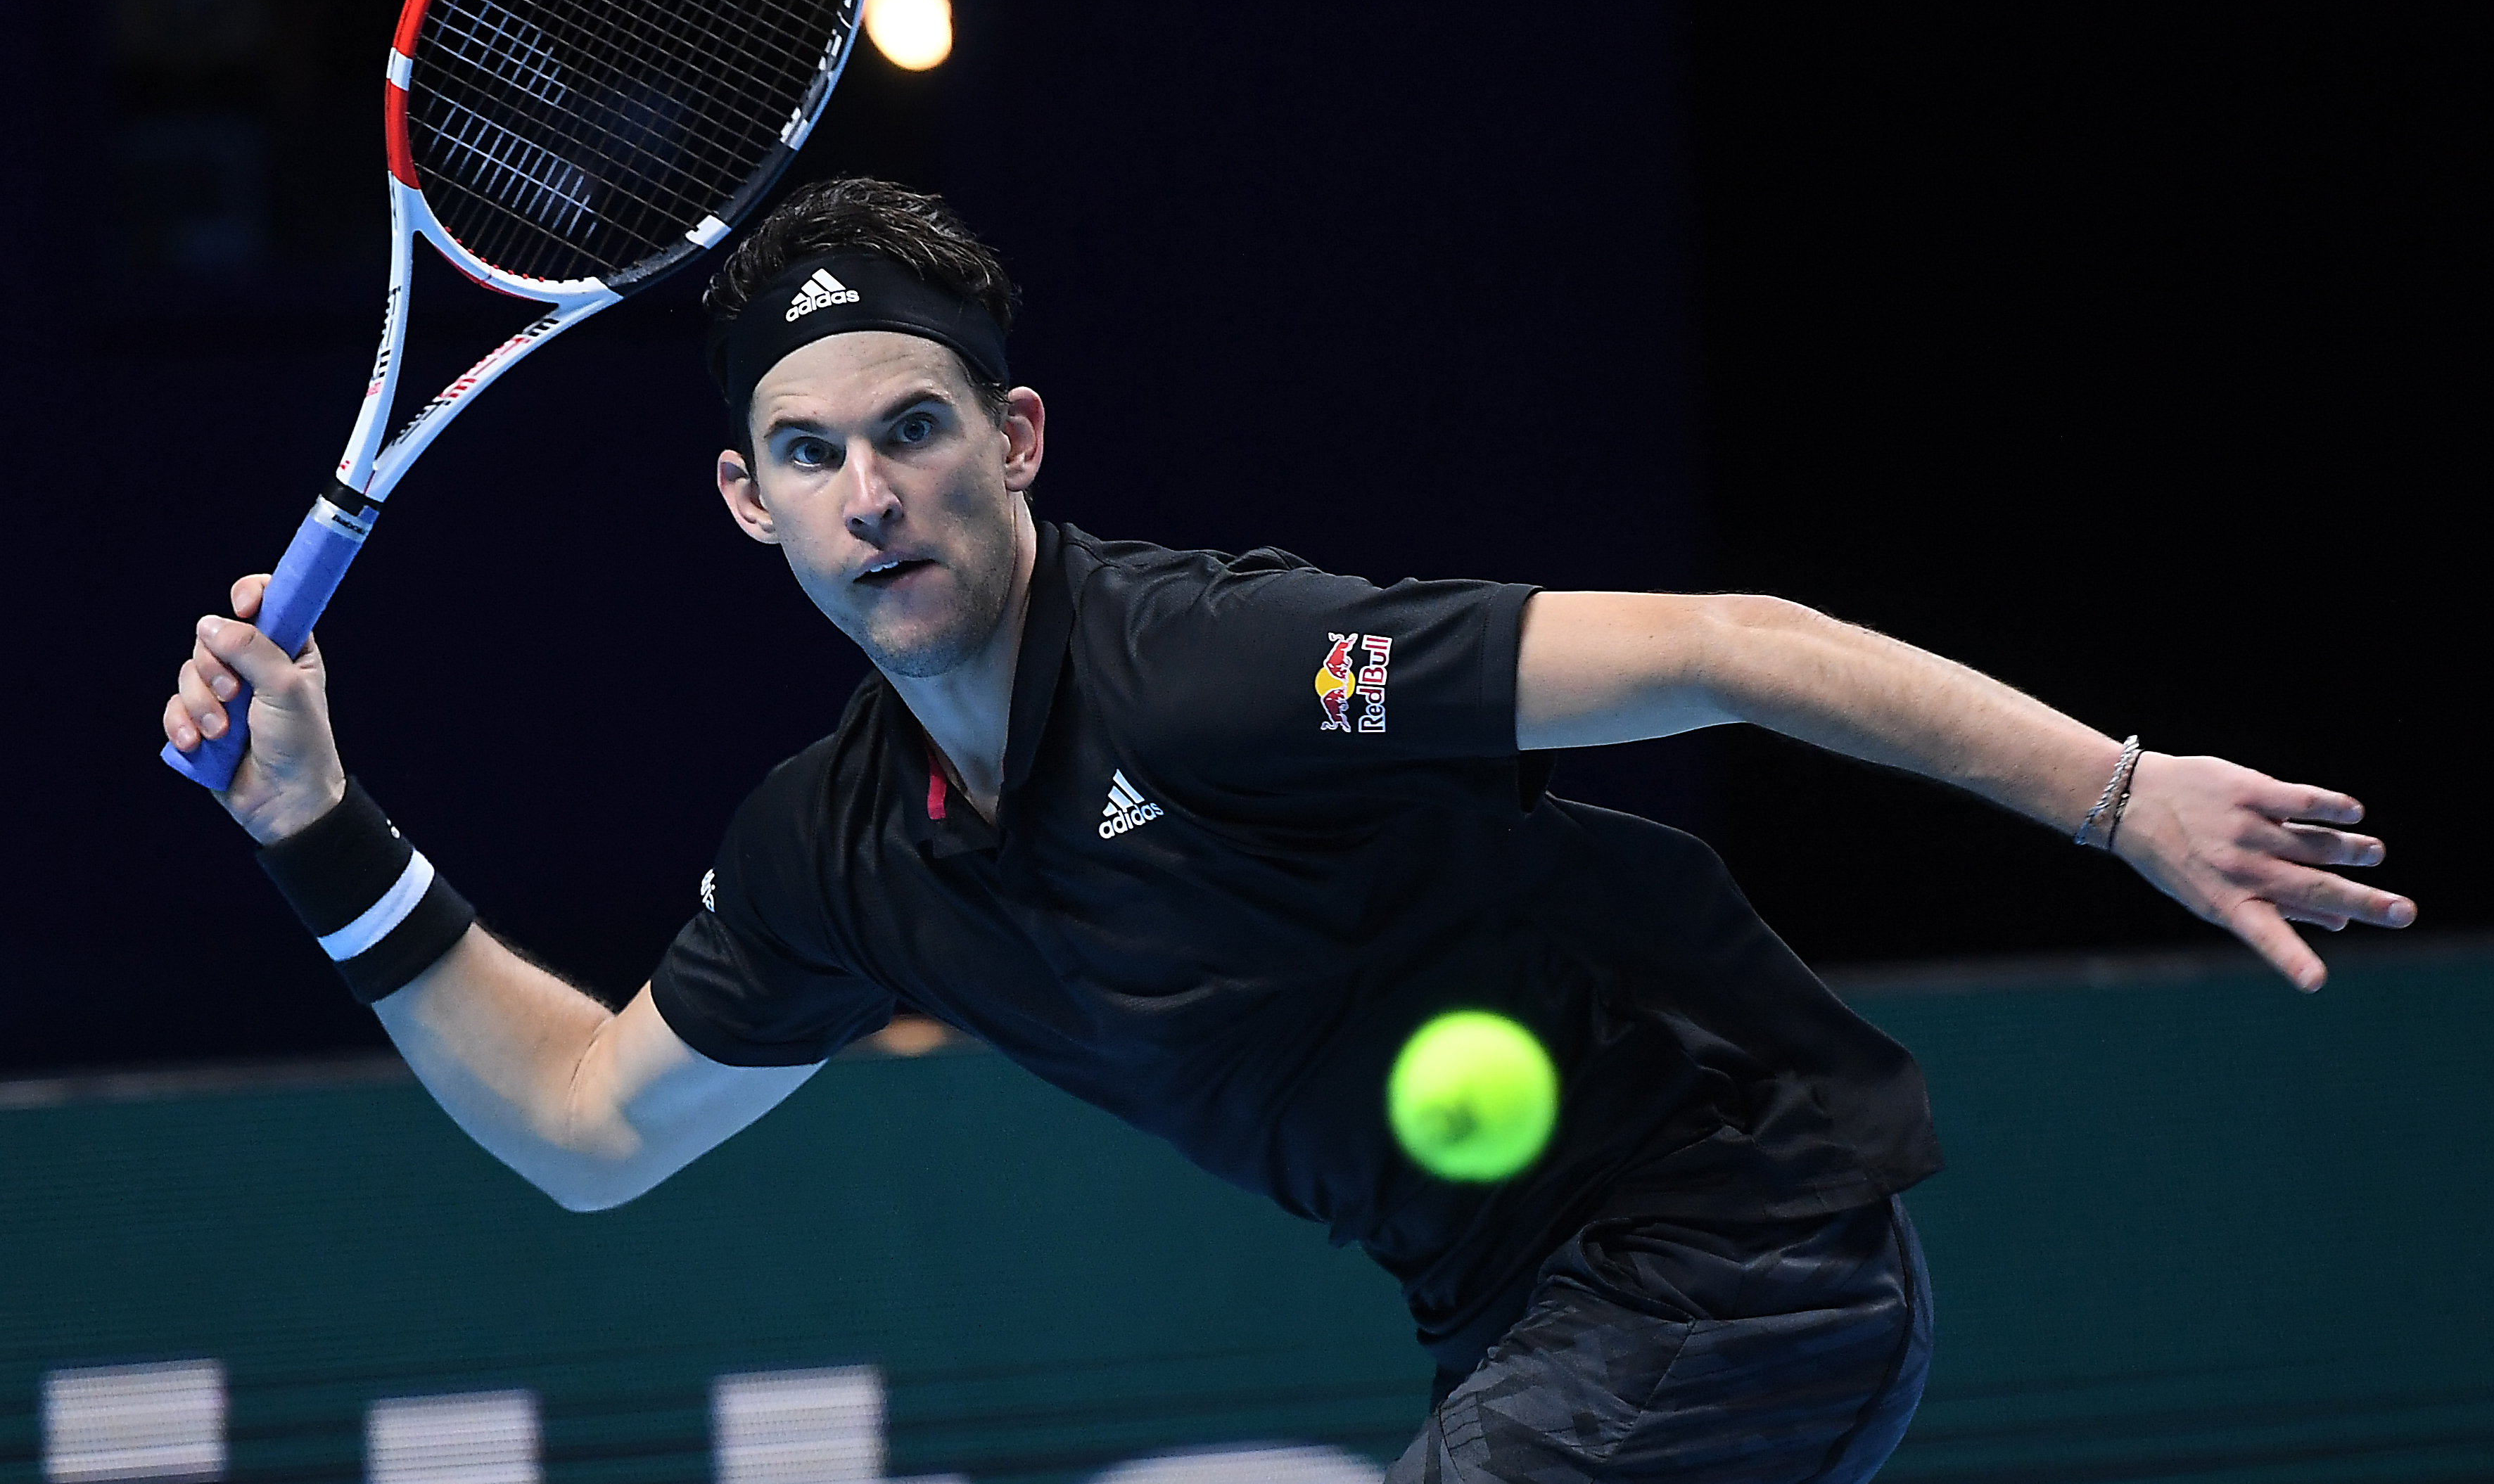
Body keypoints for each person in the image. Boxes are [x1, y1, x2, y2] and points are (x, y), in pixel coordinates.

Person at [161, 178, 2413, 1483]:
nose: (875, 489)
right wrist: (319, 823)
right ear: (748, 504)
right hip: (1511, 1321)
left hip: (1739, 1243)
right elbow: (584, 1124)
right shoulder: (842, 852)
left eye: (918, 426)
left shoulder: (1222, 670)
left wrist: (2119, 795)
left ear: (1014, 436)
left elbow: (1730, 636)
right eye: (814, 452)